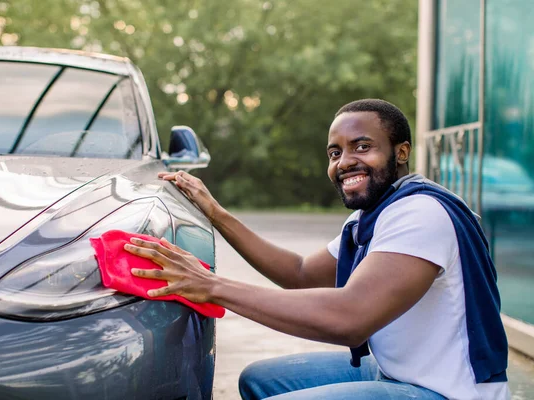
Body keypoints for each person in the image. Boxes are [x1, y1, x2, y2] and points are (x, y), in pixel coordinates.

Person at [124, 99, 510, 399]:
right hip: (399, 371)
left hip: (444, 392)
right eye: (335, 152)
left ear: (402, 152)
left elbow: (350, 318)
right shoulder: (374, 213)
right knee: (259, 381)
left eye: (362, 147)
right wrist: (217, 214)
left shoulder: (421, 214)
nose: (345, 162)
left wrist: (211, 285)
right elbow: (301, 274)